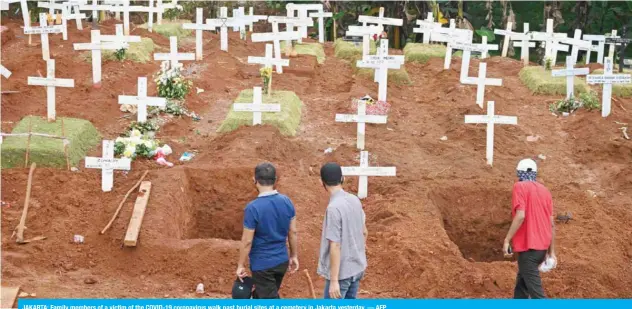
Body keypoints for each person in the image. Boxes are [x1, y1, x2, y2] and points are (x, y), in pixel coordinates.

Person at [236, 162, 299, 299]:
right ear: (275, 180)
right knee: (262, 295)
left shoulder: (252, 208)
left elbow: (247, 241)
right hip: (281, 261)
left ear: (255, 180)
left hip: (262, 265)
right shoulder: (287, 201)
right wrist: (293, 255)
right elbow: (293, 232)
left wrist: (240, 265)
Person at [503, 158, 556, 299]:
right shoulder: (545, 191)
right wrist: (551, 252)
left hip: (529, 251)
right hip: (541, 250)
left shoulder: (519, 187)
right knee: (521, 288)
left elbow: (520, 216)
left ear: (519, 173)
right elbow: (551, 224)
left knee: (537, 295)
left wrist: (507, 239)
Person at [317, 162, 368, 299]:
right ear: (342, 178)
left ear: (323, 183)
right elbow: (364, 232)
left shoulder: (333, 208)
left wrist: (334, 281)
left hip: (342, 275)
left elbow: (335, 245)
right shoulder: (355, 200)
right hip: (357, 269)